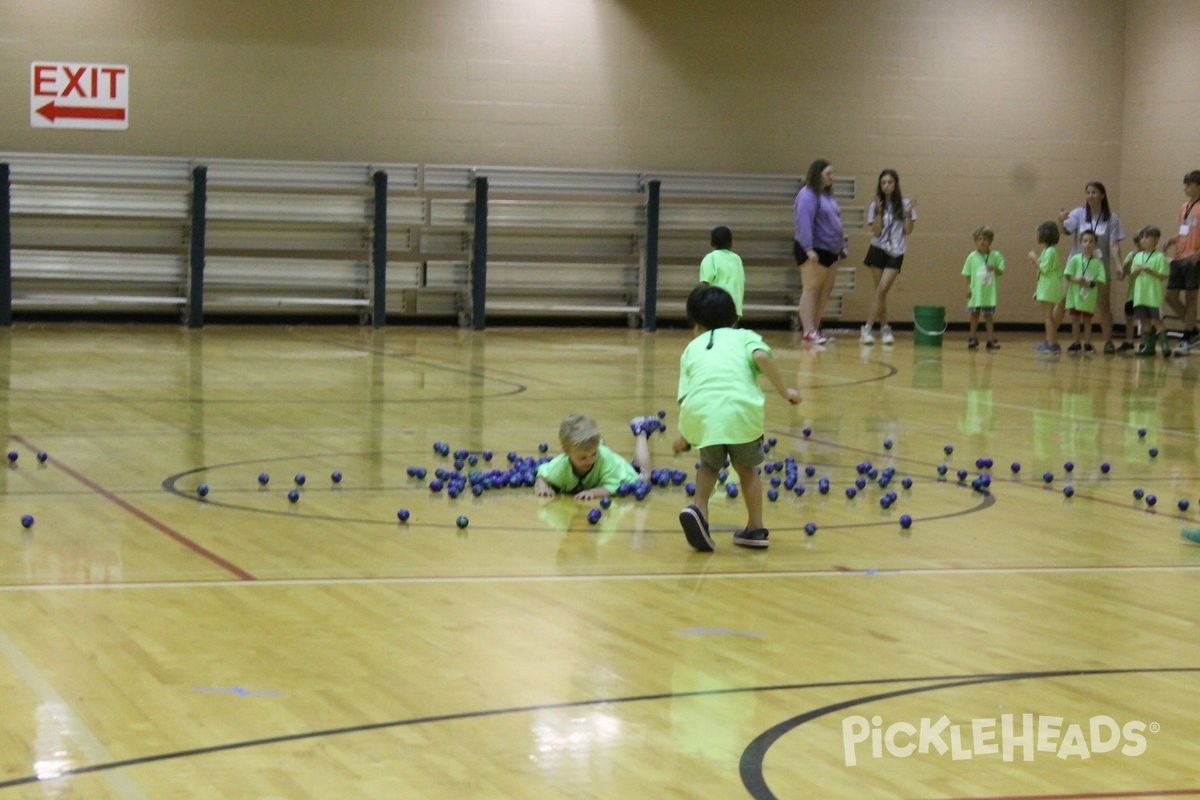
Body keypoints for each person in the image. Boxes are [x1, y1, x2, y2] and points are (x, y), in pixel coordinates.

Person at [673, 285, 801, 551]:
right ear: (734, 318)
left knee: (708, 467)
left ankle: (699, 513)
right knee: (746, 470)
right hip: (743, 416)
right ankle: (756, 529)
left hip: (704, 418)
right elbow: (761, 356)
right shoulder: (744, 337)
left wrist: (685, 436)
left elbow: (689, 398)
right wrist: (785, 391)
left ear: (695, 323)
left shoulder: (691, 348)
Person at [1058, 181, 1127, 354]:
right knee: (1063, 301)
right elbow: (1064, 231)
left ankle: (1108, 342)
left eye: (1094, 192)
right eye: (1087, 192)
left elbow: (1113, 244)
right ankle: (1050, 338)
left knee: (1103, 306)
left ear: (1103, 195)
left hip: (1099, 269)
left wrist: (1119, 265)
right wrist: (1061, 220)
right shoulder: (1078, 213)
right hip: (1076, 267)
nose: (1090, 196)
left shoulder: (1112, 218)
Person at [534, 412, 659, 501]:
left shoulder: (606, 460)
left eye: (593, 454)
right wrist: (543, 487)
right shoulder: (560, 466)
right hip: (604, 467)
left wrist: (593, 492)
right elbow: (542, 474)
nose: (589, 460)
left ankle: (640, 430)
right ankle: (600, 443)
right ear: (567, 453)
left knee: (644, 477)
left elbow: (612, 488)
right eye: (583, 457)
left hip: (617, 471)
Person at [860, 169, 916, 345]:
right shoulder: (875, 205)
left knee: (882, 289)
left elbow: (908, 231)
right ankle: (885, 329)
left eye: (889, 182)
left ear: (895, 184)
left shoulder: (905, 204)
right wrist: (878, 212)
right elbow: (876, 231)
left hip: (897, 251)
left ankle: (867, 328)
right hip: (878, 249)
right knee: (880, 291)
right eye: (883, 182)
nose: (886, 185)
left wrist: (908, 213)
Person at [793, 159, 846, 344]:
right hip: (814, 249)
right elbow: (804, 222)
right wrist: (808, 248)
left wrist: (842, 247)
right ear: (818, 174)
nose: (832, 177)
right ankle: (808, 331)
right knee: (811, 289)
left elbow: (835, 222)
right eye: (828, 174)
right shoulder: (807, 194)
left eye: (832, 173)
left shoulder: (828, 195)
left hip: (832, 250)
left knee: (825, 292)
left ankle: (816, 330)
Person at [1163, 170, 1200, 356]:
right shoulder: (1185, 207)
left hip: (1194, 257)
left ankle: (1186, 338)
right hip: (1179, 256)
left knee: (1191, 298)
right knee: (1170, 296)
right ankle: (1192, 328)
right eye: (1184, 184)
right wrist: (1173, 240)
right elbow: (1186, 231)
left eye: (1189, 185)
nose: (1185, 188)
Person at [1128, 226, 1171, 357]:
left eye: (1147, 237)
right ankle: (1149, 346)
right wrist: (1137, 270)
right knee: (1144, 321)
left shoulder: (1160, 257)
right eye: (1142, 238)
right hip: (1140, 296)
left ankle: (1165, 345)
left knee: (1157, 321)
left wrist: (1150, 271)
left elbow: (1164, 275)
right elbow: (1133, 274)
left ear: (1156, 239)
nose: (1143, 240)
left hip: (1153, 296)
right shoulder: (1137, 256)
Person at [1063, 230, 1107, 354]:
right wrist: (1077, 280)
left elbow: (1101, 279)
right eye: (1085, 241)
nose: (1088, 244)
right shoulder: (1075, 259)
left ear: (1095, 244)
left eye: (1091, 241)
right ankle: (1076, 343)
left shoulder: (1098, 262)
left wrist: (1091, 283)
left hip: (1089, 296)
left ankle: (1087, 343)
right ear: (1081, 243)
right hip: (1075, 295)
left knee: (1087, 321)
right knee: (1075, 320)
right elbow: (1067, 275)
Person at [961, 226, 1005, 350]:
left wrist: (995, 269)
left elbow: (1001, 271)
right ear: (975, 241)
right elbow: (967, 274)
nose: (982, 242)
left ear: (990, 241)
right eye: (979, 239)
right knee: (974, 315)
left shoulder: (996, 256)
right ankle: (972, 338)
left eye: (985, 239)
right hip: (976, 293)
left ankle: (990, 339)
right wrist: (969, 288)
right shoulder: (972, 257)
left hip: (989, 293)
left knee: (988, 316)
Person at [1029, 220, 1065, 354]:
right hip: (1046, 287)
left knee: (1048, 316)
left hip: (1050, 287)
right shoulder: (1048, 251)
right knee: (1047, 315)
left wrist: (1035, 257)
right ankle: (1051, 340)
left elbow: (1044, 269)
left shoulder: (1050, 251)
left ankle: (1051, 343)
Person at [699, 225, 745, 318]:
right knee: (730, 332)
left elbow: (705, 284)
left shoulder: (710, 258)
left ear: (711, 243)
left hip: (716, 306)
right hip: (735, 308)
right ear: (730, 243)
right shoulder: (737, 259)